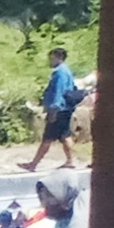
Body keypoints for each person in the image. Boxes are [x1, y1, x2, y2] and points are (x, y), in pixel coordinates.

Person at [29, 44, 81, 172]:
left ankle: (33, 164)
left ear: (59, 58)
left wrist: (53, 109)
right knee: (64, 136)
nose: (50, 61)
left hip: (59, 110)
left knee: (48, 137)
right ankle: (70, 161)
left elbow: (58, 91)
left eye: (51, 59)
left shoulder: (59, 73)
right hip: (65, 109)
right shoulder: (66, 71)